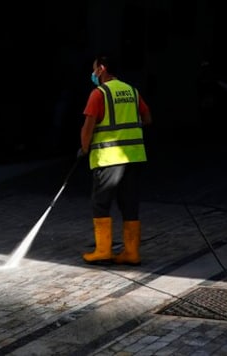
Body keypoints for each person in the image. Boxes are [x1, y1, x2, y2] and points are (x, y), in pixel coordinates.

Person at [78, 55, 152, 266]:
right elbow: (147, 119)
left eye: (94, 69)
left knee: (101, 204)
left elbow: (88, 127)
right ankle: (131, 253)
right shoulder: (132, 91)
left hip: (108, 158)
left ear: (102, 69)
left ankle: (103, 251)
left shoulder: (98, 94)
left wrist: (84, 149)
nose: (93, 74)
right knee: (129, 204)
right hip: (133, 158)